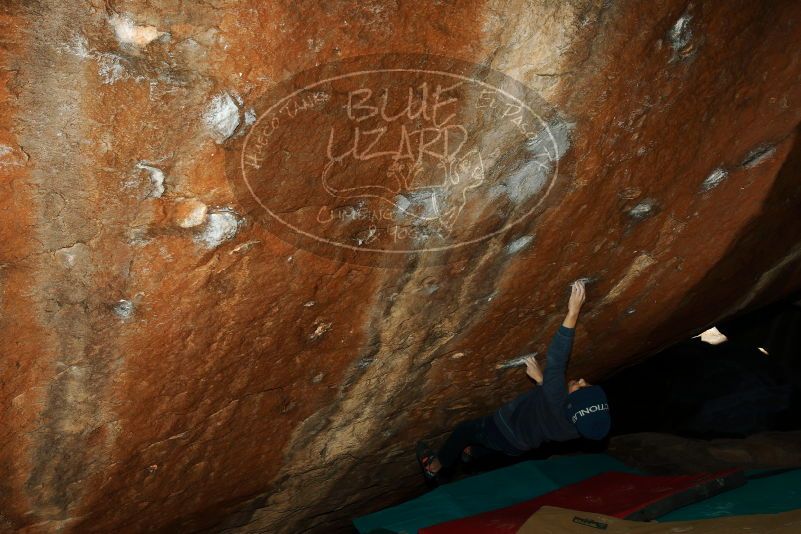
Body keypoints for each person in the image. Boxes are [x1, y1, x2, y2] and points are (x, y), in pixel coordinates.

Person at [416, 280, 610, 484]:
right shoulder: (576, 429)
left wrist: (573, 312)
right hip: (519, 446)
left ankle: (435, 466)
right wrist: (542, 382)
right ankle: (470, 453)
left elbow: (557, 358)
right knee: (488, 447)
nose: (580, 380)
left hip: (503, 428)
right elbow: (552, 410)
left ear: (570, 404)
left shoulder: (556, 397)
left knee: (465, 430)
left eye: (579, 387)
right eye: (587, 384)